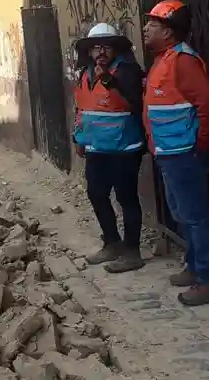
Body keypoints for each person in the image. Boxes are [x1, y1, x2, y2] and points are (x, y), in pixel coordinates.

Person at [142, 0, 209, 306]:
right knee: (183, 214)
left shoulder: (183, 62)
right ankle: (194, 267)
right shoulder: (163, 60)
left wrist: (201, 144)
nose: (146, 28)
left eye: (152, 24)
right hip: (169, 152)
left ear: (169, 31)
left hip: (185, 153)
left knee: (197, 217)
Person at [72, 23, 146, 274]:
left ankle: (132, 252)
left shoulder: (128, 71)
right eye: (96, 48)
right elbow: (81, 108)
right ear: (89, 52)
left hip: (124, 148)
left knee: (127, 198)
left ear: (115, 49)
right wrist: (79, 139)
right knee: (96, 193)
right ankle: (112, 242)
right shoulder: (85, 73)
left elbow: (136, 102)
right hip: (96, 148)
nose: (101, 52)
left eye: (106, 46)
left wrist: (111, 81)